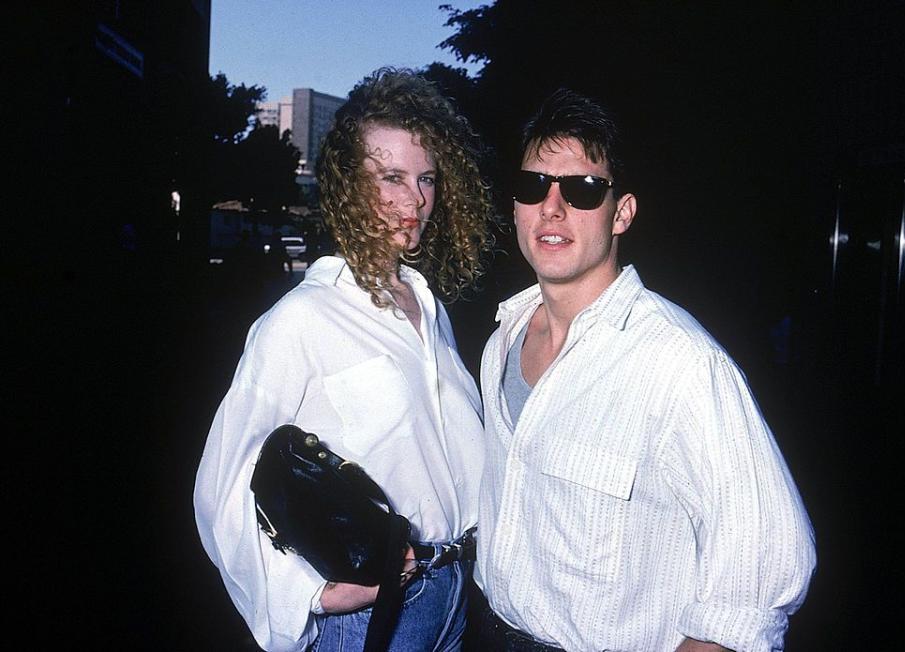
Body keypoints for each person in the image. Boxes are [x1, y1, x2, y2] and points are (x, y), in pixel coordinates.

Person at [472, 89, 816, 652]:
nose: (552, 209)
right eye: (534, 185)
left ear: (622, 212)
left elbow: (763, 568)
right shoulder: (501, 340)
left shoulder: (679, 363)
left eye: (583, 190)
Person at [194, 68, 494, 652]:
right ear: (350, 186)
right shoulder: (304, 320)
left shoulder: (431, 311)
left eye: (427, 178)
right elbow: (220, 483)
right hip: (376, 617)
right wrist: (306, 587)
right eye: (392, 178)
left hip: (457, 600)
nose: (416, 200)